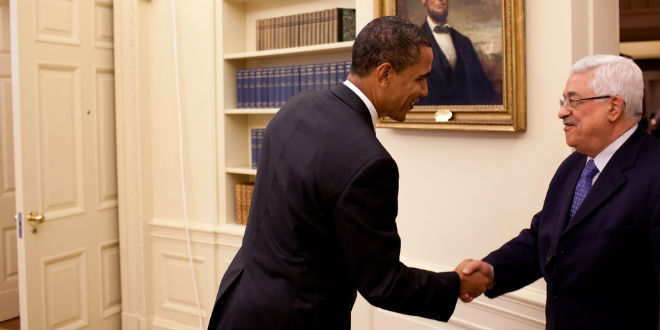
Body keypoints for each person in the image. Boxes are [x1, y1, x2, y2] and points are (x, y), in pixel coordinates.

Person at [207, 16, 491, 330]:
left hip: (238, 305)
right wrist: (457, 285)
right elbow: (383, 283)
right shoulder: (370, 163)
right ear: (384, 73)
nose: (425, 90)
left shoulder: (296, 107)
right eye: (419, 78)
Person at [462, 54, 660, 329]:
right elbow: (545, 238)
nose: (562, 112)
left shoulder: (655, 173)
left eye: (574, 101)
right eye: (563, 101)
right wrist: (491, 271)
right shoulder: (574, 164)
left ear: (614, 107)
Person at [416, 0, 498, 105]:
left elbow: (483, 86)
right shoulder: (414, 42)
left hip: (467, 117)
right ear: (424, 1)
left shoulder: (464, 42)